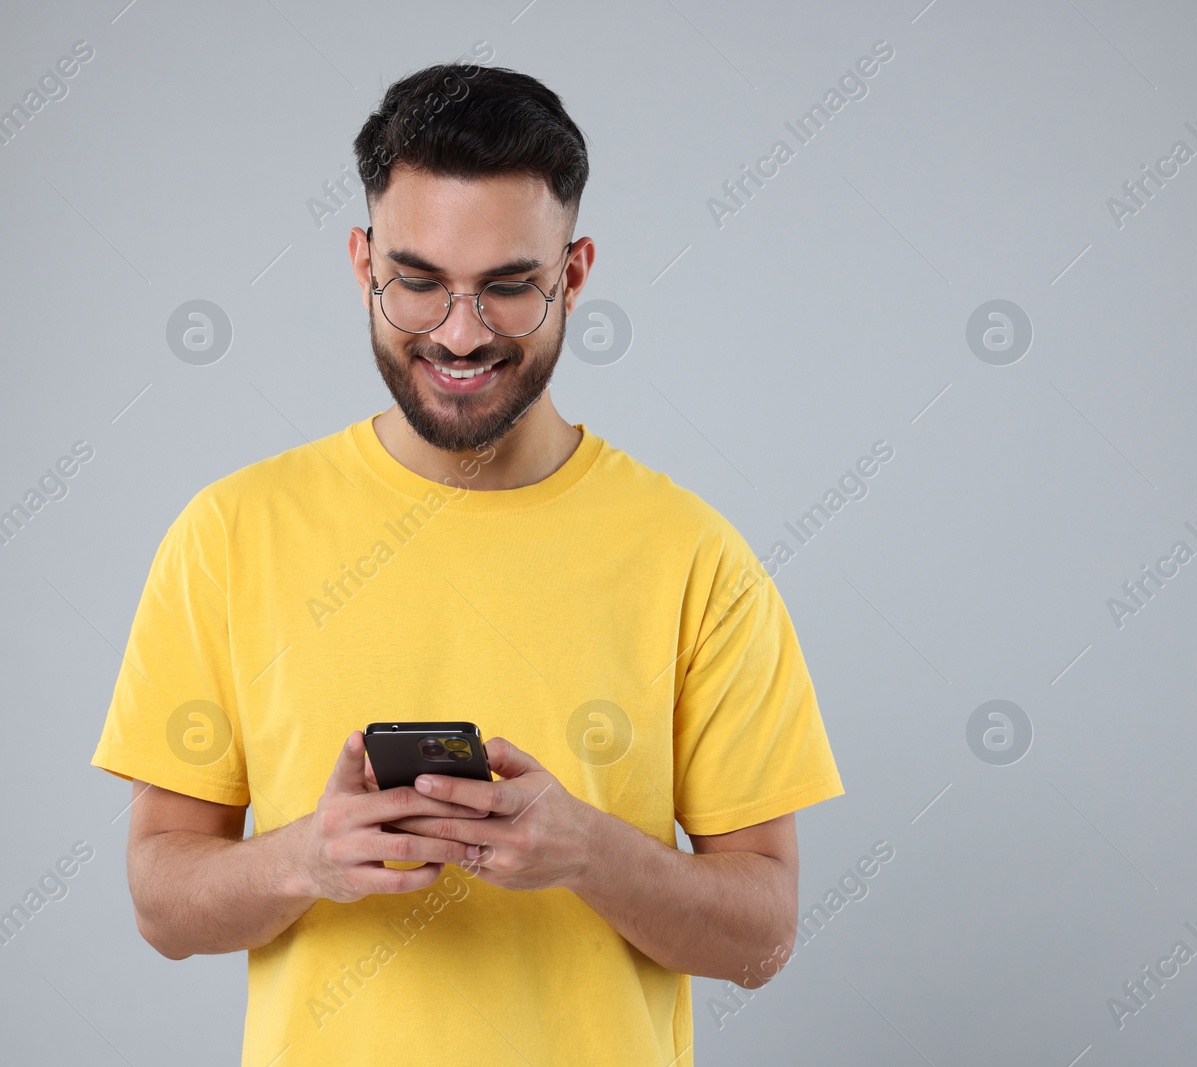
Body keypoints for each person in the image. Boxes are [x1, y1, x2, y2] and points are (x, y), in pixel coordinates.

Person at [91, 60, 844, 1066]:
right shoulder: (228, 533)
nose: (460, 333)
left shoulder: (695, 557)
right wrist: (307, 858)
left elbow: (764, 933)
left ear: (572, 275)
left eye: (508, 287)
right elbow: (161, 903)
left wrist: (590, 850)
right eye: (418, 282)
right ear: (362, 261)